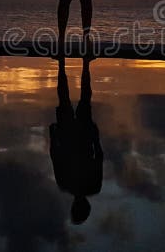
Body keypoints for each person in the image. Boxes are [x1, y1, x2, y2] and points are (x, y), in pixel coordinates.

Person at [49, 56, 103, 225]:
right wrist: (53, 136)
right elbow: (55, 156)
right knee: (69, 97)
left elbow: (99, 157)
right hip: (74, 137)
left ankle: (79, 62)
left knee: (80, 97)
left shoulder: (91, 187)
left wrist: (95, 137)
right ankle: (66, 62)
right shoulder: (65, 185)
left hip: (79, 137)